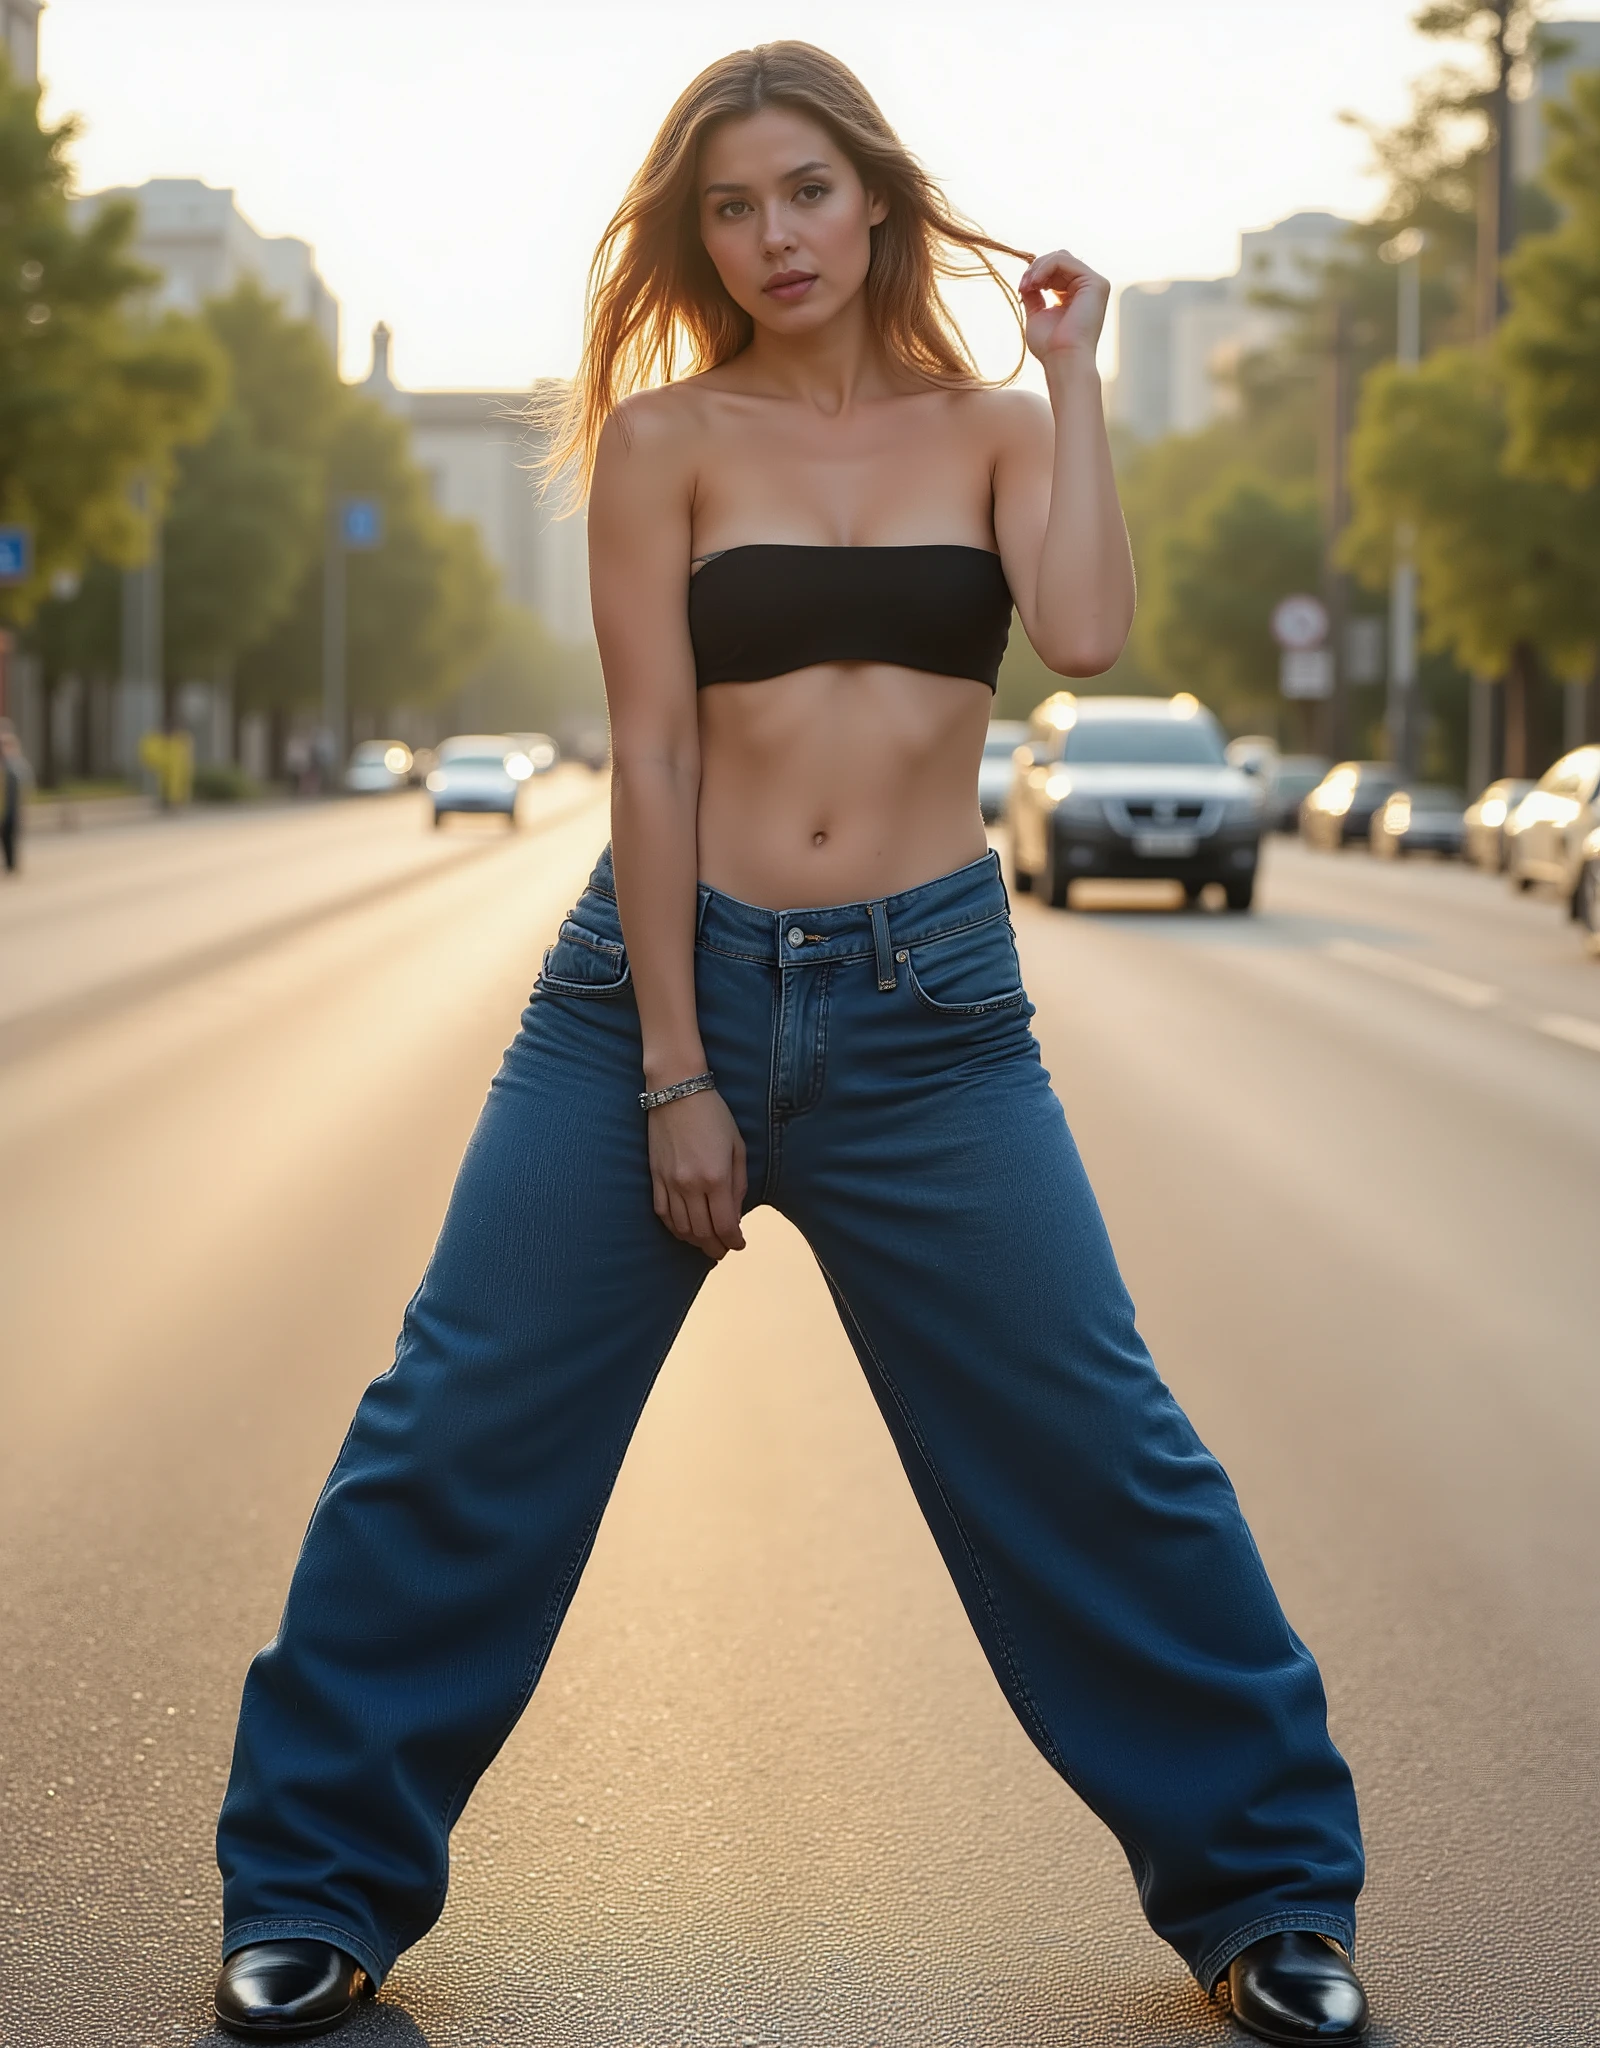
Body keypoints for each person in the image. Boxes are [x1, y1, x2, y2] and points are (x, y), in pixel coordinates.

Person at [211, 44, 1369, 2046]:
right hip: (648, 998)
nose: (774, 239)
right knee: (453, 1426)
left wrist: (1078, 373)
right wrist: (676, 1066)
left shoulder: (997, 425)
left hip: (932, 1016)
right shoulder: (664, 441)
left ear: (877, 198)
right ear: (698, 236)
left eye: (805, 194)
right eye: (732, 208)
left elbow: (1080, 634)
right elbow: (651, 751)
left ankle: (1269, 1903)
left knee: (1101, 1449)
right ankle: (307, 1896)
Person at [0, 718, 30, 874]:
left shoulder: (15, 763)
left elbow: (24, 785)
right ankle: (9, 863)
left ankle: (12, 864)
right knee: (4, 836)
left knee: (10, 835)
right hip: (3, 808)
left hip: (12, 807)